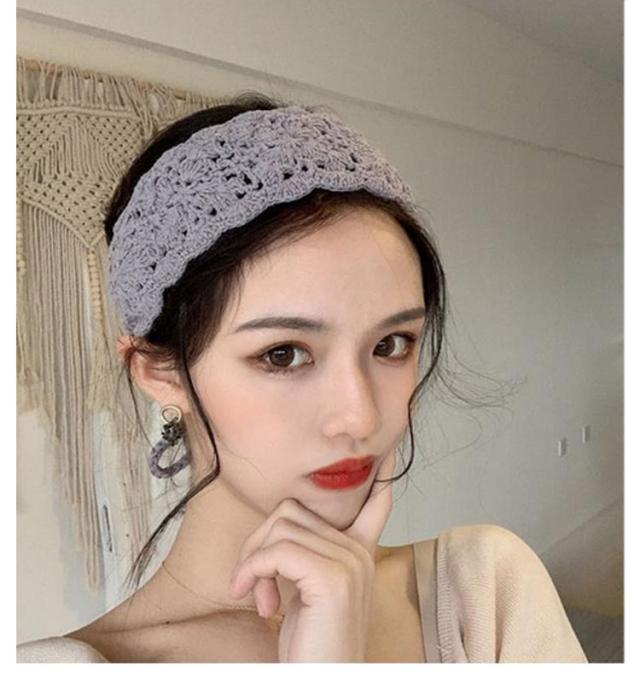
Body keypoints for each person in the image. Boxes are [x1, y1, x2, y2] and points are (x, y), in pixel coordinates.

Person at [17, 92, 587, 663]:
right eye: (284, 354)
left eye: (391, 345)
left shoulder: (481, 591)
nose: (360, 417)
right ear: (161, 373)